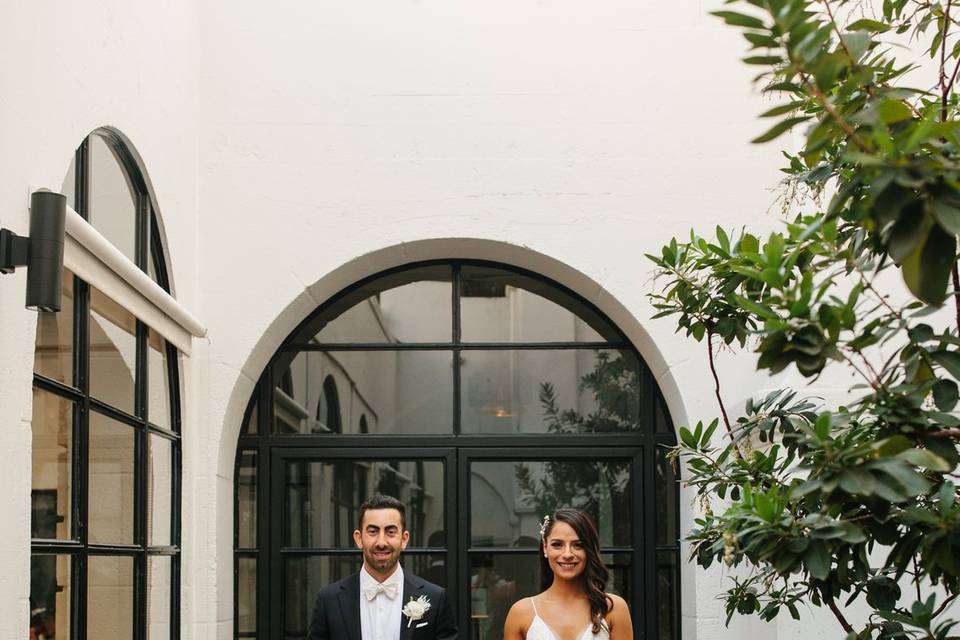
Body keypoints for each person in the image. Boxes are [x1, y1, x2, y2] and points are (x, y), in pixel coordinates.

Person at [308, 494, 459, 640]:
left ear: (404, 539)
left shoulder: (436, 598)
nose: (381, 542)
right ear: (359, 538)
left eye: (390, 532)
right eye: (373, 531)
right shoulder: (328, 600)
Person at [502, 509, 632, 640]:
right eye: (557, 545)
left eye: (578, 545)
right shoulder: (521, 612)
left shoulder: (613, 608)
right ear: (545, 548)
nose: (567, 554)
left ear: (588, 550)